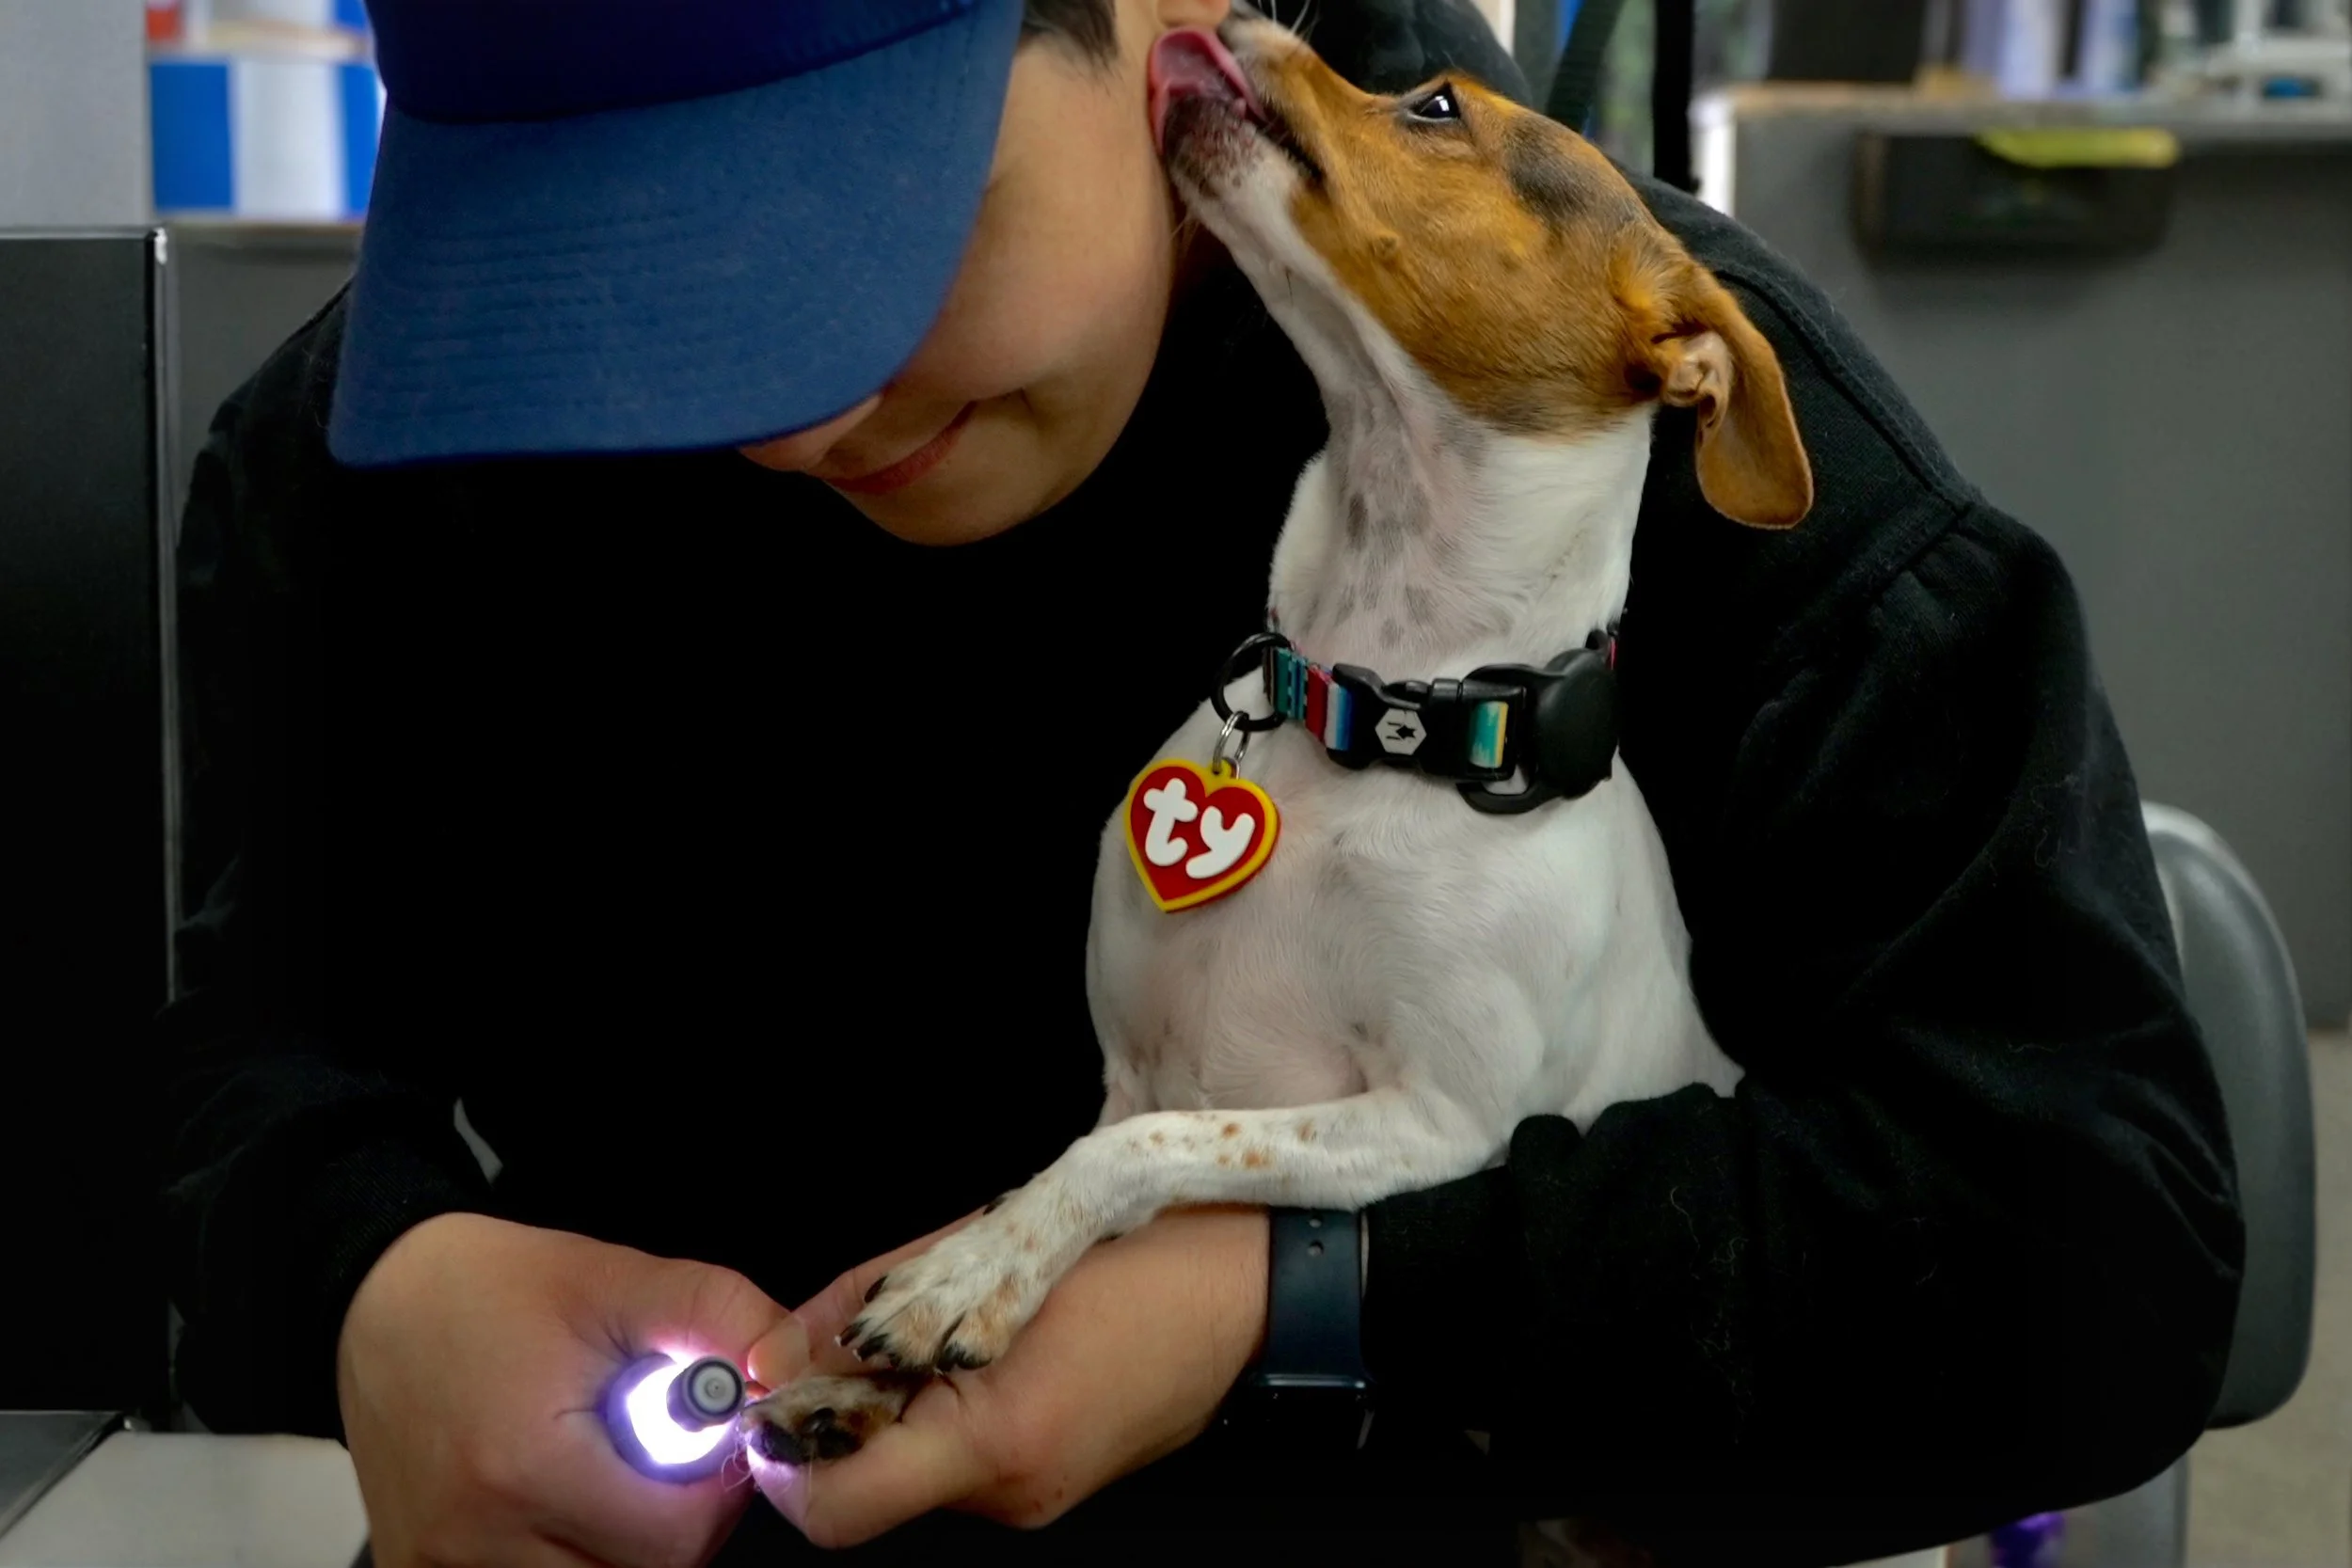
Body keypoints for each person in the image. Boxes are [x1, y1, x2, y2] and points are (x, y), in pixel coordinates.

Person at [159, 0, 2246, 1563]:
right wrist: (369, 1282)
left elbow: (2086, 1249)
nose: (790, 419)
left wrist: (1297, 1292)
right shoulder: (366, 468)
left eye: (869, 240)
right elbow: (209, 1077)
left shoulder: (1622, 431)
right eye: (610, 283)